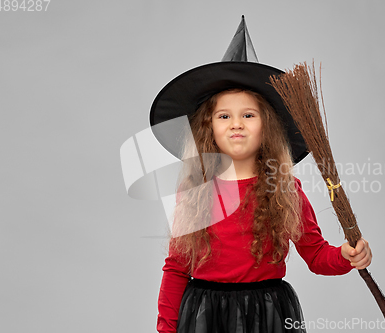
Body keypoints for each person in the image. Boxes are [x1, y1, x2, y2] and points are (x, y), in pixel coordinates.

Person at [151, 17, 372, 333]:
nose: (236, 123)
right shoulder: (195, 192)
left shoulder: (285, 189)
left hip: (266, 315)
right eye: (224, 115)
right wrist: (166, 329)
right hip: (205, 315)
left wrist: (346, 256)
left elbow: (317, 255)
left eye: (248, 115)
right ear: (207, 128)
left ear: (266, 127)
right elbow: (175, 269)